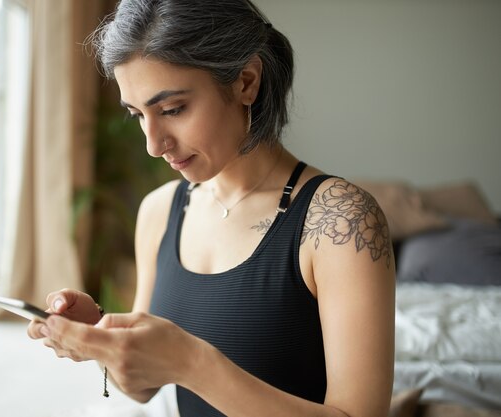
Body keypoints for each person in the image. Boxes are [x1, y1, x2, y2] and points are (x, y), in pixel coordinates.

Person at [28, 1, 396, 416]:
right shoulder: (160, 211)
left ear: (246, 81)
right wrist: (100, 335)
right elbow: (143, 389)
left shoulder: (339, 220)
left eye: (172, 110)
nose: (153, 145)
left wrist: (191, 363)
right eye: (138, 115)